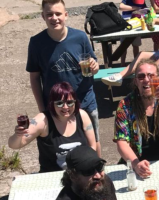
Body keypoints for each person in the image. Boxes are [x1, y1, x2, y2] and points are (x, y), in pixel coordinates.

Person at [25, 0, 101, 157]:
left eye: (58, 13)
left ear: (66, 15)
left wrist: (95, 67)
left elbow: (95, 65)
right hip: (57, 106)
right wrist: (42, 108)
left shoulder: (80, 37)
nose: (54, 18)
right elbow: (34, 77)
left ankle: (97, 173)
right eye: (49, 14)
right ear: (43, 17)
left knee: (93, 142)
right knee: (61, 148)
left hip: (85, 101)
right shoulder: (36, 42)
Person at [102, 0, 159, 86]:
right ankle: (119, 76)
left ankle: (153, 93)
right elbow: (157, 20)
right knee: (142, 54)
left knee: (152, 69)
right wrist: (152, 21)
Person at [8, 82, 97, 173]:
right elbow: (13, 145)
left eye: (70, 102)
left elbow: (92, 146)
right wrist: (18, 135)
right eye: (59, 103)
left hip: (79, 174)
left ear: (75, 102)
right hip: (51, 175)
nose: (65, 107)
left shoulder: (82, 115)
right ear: (52, 104)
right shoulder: (42, 121)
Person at [119, 0, 147, 66]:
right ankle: (122, 63)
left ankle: (135, 63)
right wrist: (136, 8)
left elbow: (145, 9)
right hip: (126, 24)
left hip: (136, 24)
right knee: (123, 46)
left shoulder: (141, 1)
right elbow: (121, 7)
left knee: (135, 45)